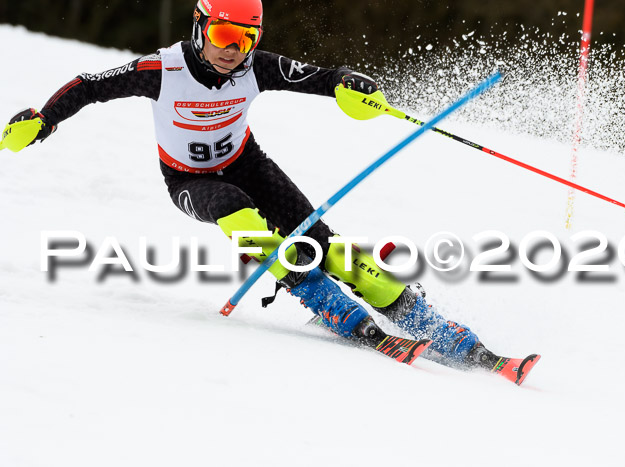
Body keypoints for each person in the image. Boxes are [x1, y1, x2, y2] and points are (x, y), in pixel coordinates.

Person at [1, 0, 537, 383]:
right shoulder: (161, 70)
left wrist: (355, 86)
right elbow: (89, 86)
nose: (234, 51)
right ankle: (324, 302)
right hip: (190, 181)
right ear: (199, 27)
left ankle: (438, 328)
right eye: (223, 37)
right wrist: (44, 120)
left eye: (245, 40)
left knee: (329, 247)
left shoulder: (256, 68)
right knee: (246, 221)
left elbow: (323, 77)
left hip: (249, 165)